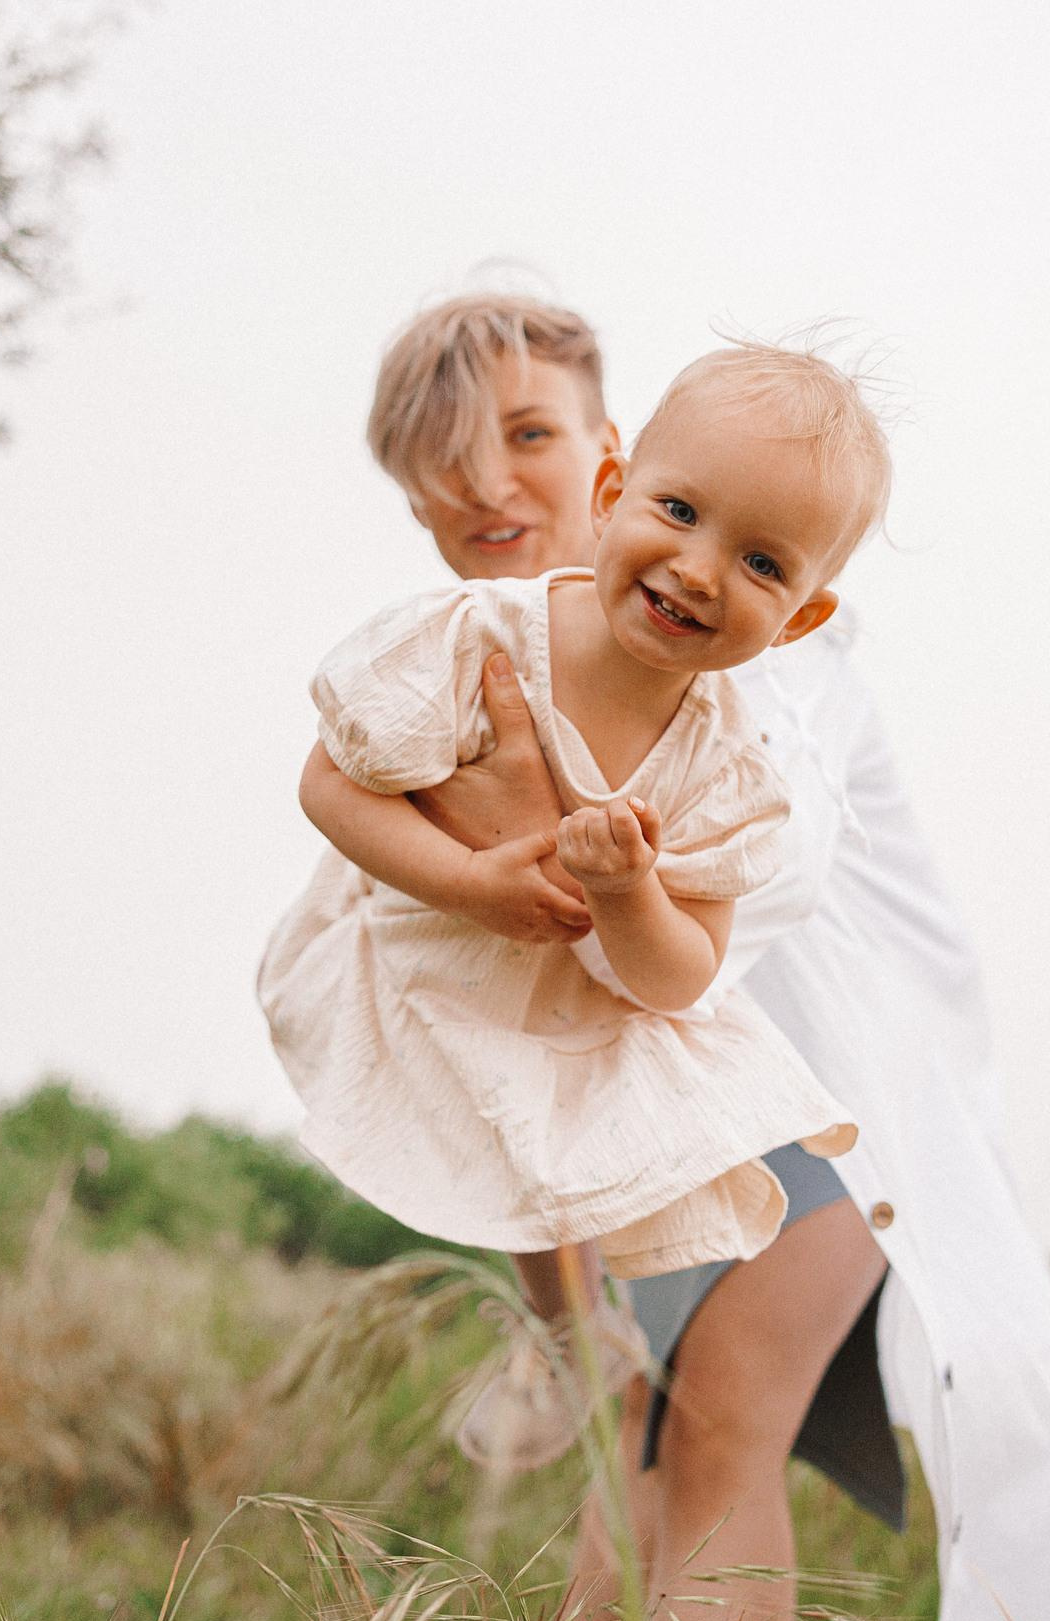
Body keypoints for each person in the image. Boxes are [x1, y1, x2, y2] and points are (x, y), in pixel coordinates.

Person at [315, 293, 1050, 1621]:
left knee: (720, 1422)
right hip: (650, 1097)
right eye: (439, 456)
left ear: (603, 451)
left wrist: (562, 866)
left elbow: (750, 888)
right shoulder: (493, 655)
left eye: (525, 437)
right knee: (632, 1434)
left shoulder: (750, 658)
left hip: (830, 1086)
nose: (484, 483)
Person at [261, 340, 887, 1468]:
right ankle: (563, 1333)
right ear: (612, 493)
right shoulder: (483, 637)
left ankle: (578, 1341)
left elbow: (684, 973)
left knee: (602, 1133)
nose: (699, 569)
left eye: (760, 563)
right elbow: (327, 783)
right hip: (427, 955)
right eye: (679, 512)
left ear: (799, 618)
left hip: (572, 1015)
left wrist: (629, 890)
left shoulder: (726, 768)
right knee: (505, 1130)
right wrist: (469, 881)